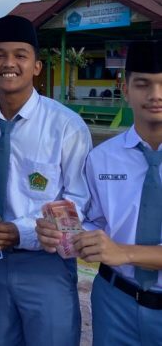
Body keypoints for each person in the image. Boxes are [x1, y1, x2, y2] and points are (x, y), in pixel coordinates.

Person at [0, 15, 91, 346]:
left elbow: (80, 200)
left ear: (36, 65)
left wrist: (19, 231)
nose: (9, 63)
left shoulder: (66, 126)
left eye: (20, 55)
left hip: (46, 262)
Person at [37, 40, 162, 345]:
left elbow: (117, 249)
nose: (156, 95)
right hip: (115, 301)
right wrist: (65, 233)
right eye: (143, 84)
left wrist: (125, 252)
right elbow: (97, 221)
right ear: (125, 89)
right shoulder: (101, 157)